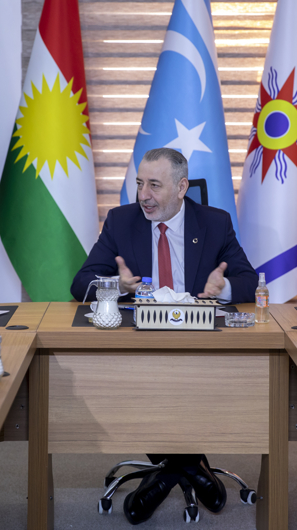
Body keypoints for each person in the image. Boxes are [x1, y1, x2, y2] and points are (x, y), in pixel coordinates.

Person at [70, 147, 258, 525]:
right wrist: (116, 286)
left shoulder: (214, 223)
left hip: (200, 348)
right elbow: (80, 284)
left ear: (181, 187)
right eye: (140, 184)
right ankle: (190, 467)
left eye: (154, 185)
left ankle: (167, 473)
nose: (144, 195)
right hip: (141, 349)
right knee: (147, 385)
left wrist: (221, 288)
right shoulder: (121, 221)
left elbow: (248, 281)